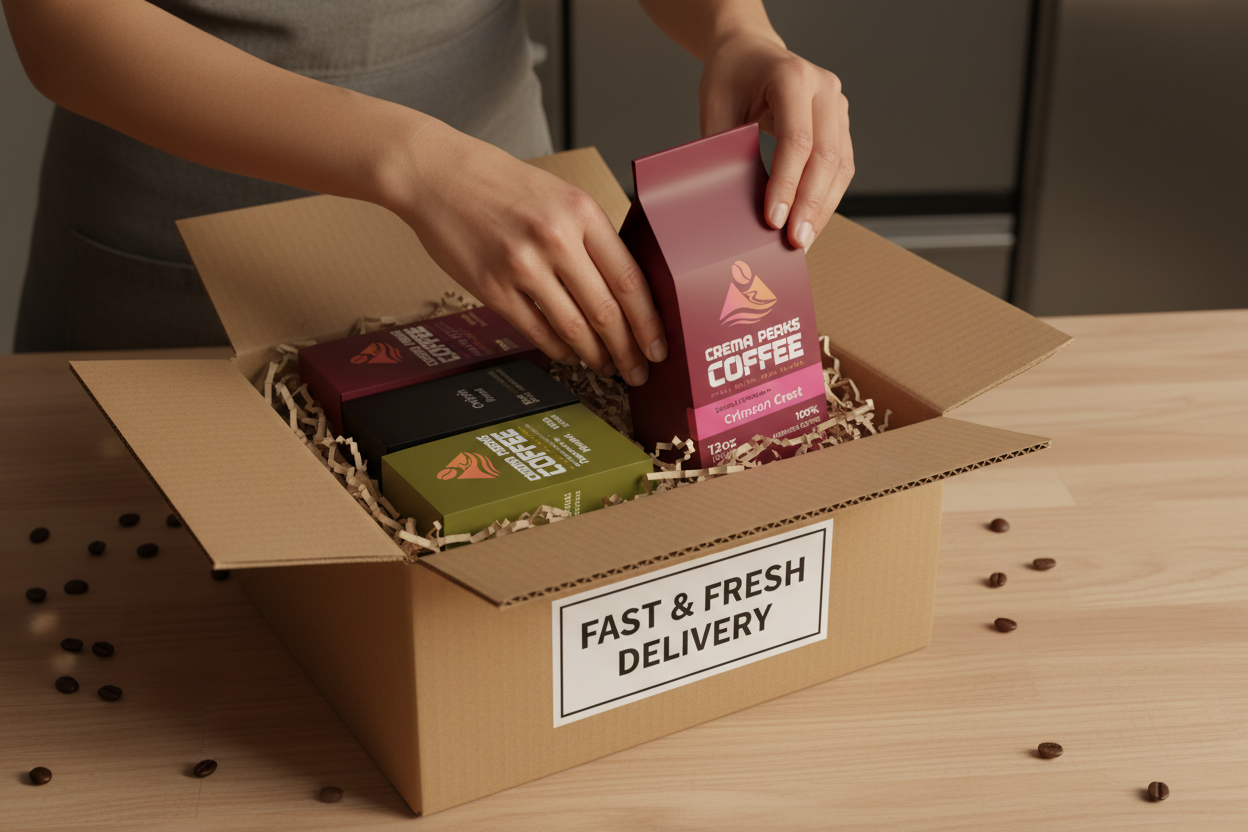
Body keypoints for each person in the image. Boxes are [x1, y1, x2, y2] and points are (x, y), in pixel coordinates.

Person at [4, 0, 853, 388]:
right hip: (177, 258)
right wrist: (416, 164)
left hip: (506, 228)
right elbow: (59, 25)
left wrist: (736, 28)